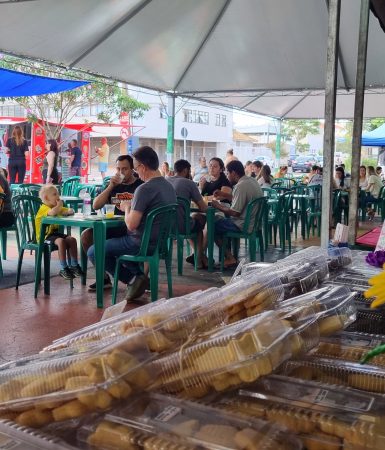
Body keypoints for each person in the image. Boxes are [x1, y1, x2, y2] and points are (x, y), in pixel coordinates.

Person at [87, 146, 177, 302]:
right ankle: (138, 278)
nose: (136, 172)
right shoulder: (169, 186)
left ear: (142, 166)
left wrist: (127, 207)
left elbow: (131, 225)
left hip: (139, 243)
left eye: (136, 168)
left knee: (94, 251)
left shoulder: (144, 189)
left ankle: (133, 280)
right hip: (160, 243)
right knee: (113, 248)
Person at [81, 154, 143, 290]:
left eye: (125, 169)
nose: (121, 172)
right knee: (87, 236)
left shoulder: (140, 186)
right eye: (118, 169)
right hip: (113, 226)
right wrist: (110, 186)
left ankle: (136, 277)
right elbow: (95, 205)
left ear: (133, 169)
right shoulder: (114, 185)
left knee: (100, 249)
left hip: (130, 227)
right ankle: (103, 278)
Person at [211, 160, 263, 268]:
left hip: (243, 225)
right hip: (254, 223)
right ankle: (230, 256)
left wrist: (218, 206)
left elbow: (235, 212)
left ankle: (230, 258)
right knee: (221, 222)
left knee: (212, 225)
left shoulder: (241, 186)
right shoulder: (251, 181)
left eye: (228, 173)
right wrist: (224, 194)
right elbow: (239, 199)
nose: (227, 175)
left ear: (234, 173)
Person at [35, 185, 83, 280]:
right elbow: (52, 212)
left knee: (72, 239)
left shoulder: (56, 207)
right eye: (54, 194)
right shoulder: (44, 208)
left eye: (58, 194)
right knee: (61, 241)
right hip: (44, 237)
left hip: (55, 235)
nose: (58, 196)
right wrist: (60, 206)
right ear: (46, 198)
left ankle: (74, 265)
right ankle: (64, 268)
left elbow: (70, 210)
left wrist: (68, 211)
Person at [167, 159, 208, 269]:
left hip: (164, 227)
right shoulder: (189, 183)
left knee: (192, 219)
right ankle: (199, 259)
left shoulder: (165, 181)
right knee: (199, 223)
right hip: (181, 226)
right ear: (185, 170)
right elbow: (203, 208)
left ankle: (200, 256)